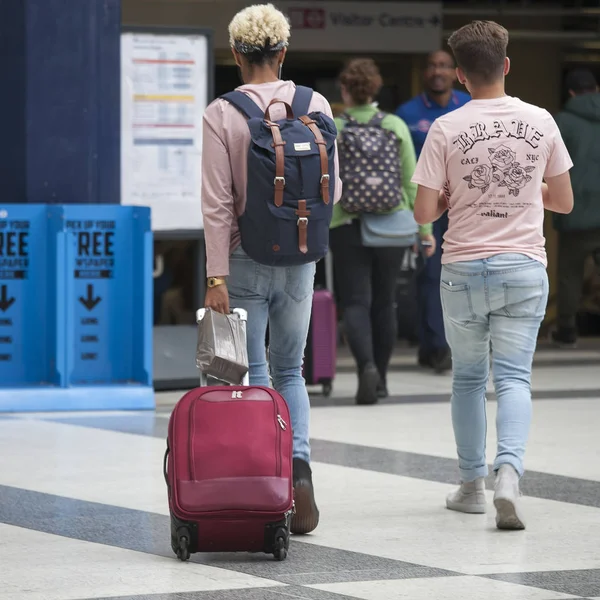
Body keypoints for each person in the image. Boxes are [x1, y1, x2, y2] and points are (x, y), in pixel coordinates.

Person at [412, 20, 573, 530]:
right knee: (514, 379)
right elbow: (564, 201)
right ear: (506, 65)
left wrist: (453, 197)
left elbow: (421, 212)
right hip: (523, 266)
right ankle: (509, 473)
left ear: (459, 76)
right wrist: (528, 196)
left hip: (462, 268)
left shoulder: (446, 127)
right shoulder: (541, 120)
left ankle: (470, 486)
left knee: (466, 379)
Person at [201, 3, 342, 535]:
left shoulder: (223, 112)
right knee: (292, 370)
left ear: (236, 54)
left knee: (249, 373)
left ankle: (267, 481)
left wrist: (216, 277)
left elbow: (216, 203)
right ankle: (299, 470)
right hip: (303, 256)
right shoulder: (316, 102)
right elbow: (335, 187)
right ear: (283, 52)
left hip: (244, 258)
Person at [329, 58, 435, 405]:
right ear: (376, 89)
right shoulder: (395, 125)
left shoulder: (335, 126)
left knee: (356, 301)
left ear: (344, 90)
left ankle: (366, 367)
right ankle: (383, 379)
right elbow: (413, 181)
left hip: (346, 224)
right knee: (385, 302)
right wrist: (425, 230)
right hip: (393, 226)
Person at [396, 51, 470, 373]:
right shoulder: (407, 114)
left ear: (455, 73)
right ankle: (436, 346)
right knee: (430, 276)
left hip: (467, 208)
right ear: (424, 72)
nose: (437, 71)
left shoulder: (470, 105)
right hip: (427, 209)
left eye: (443, 66)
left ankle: (443, 344)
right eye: (432, 66)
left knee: (464, 276)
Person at [552, 68, 600, 348]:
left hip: (576, 208)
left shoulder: (562, 122)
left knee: (570, 271)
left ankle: (567, 328)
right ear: (596, 88)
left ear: (570, 93)